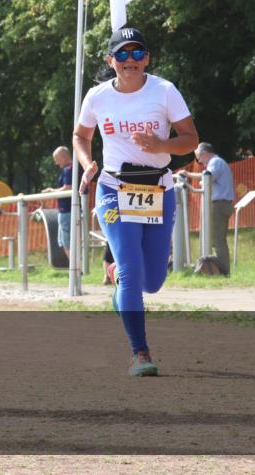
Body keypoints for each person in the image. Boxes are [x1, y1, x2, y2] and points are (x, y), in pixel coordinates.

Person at [73, 27, 199, 377]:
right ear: (110, 60)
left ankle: (119, 280)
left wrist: (162, 146)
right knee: (131, 272)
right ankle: (140, 353)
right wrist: (88, 165)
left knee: (153, 281)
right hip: (113, 188)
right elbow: (80, 136)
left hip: (158, 189)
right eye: (122, 55)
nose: (131, 61)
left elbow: (190, 139)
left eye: (137, 53)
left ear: (147, 58)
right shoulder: (97, 97)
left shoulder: (164, 91)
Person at [178, 142, 235, 276]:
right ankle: (219, 269)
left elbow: (207, 177)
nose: (200, 162)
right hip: (221, 203)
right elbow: (207, 179)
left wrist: (187, 174)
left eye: (199, 158)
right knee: (217, 238)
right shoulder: (218, 162)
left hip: (219, 204)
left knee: (217, 239)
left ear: (205, 154)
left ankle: (223, 271)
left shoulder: (215, 162)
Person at [41, 146, 74, 259]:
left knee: (66, 241)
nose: (55, 162)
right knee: (66, 240)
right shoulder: (73, 168)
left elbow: (68, 187)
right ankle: (76, 268)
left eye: (56, 158)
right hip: (69, 210)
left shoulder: (68, 169)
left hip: (67, 210)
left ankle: (75, 269)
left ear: (64, 157)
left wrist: (51, 191)